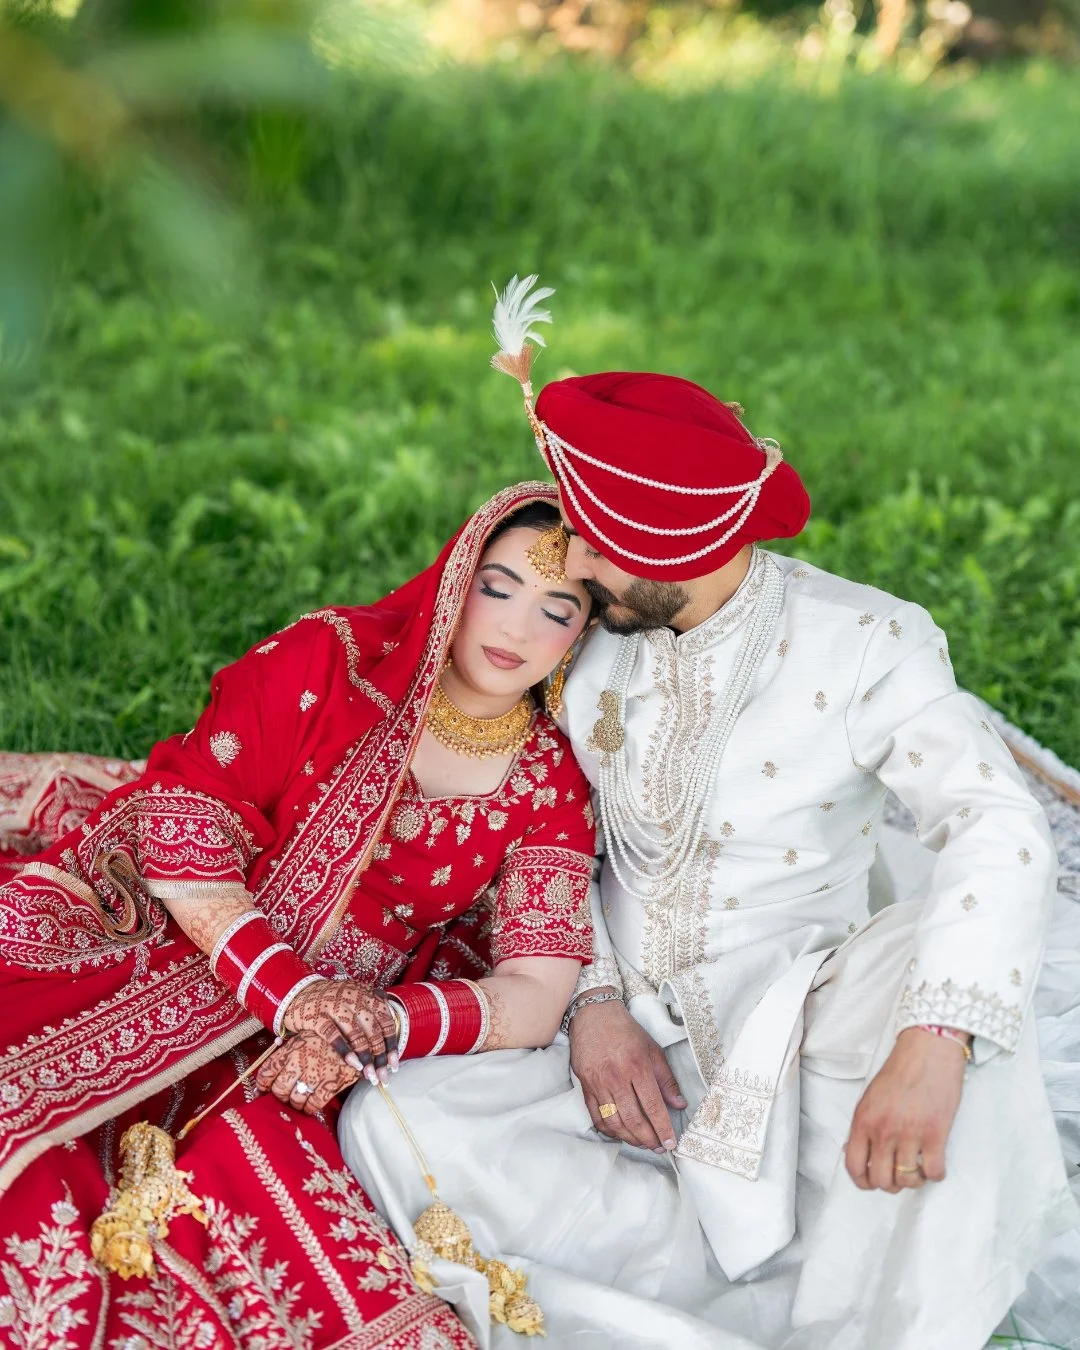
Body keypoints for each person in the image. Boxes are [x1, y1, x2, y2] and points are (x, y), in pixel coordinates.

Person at [341, 280, 1080, 1349]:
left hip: (812, 1024)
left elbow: (998, 827)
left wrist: (930, 1044)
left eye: (590, 545)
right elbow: (550, 831)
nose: (570, 567)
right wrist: (591, 1004)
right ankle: (697, 1291)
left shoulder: (868, 643)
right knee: (399, 1121)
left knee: (975, 1016)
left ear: (662, 547)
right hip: (619, 1044)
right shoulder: (591, 644)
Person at [0, 484, 598, 1349]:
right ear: (454, 577)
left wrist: (377, 1024)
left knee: (256, 1201)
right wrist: (295, 993)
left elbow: (538, 989)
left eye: (556, 608)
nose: (514, 629)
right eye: (496, 587)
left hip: (327, 1041)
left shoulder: (549, 780)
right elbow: (186, 826)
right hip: (181, 931)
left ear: (583, 632)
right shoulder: (334, 659)